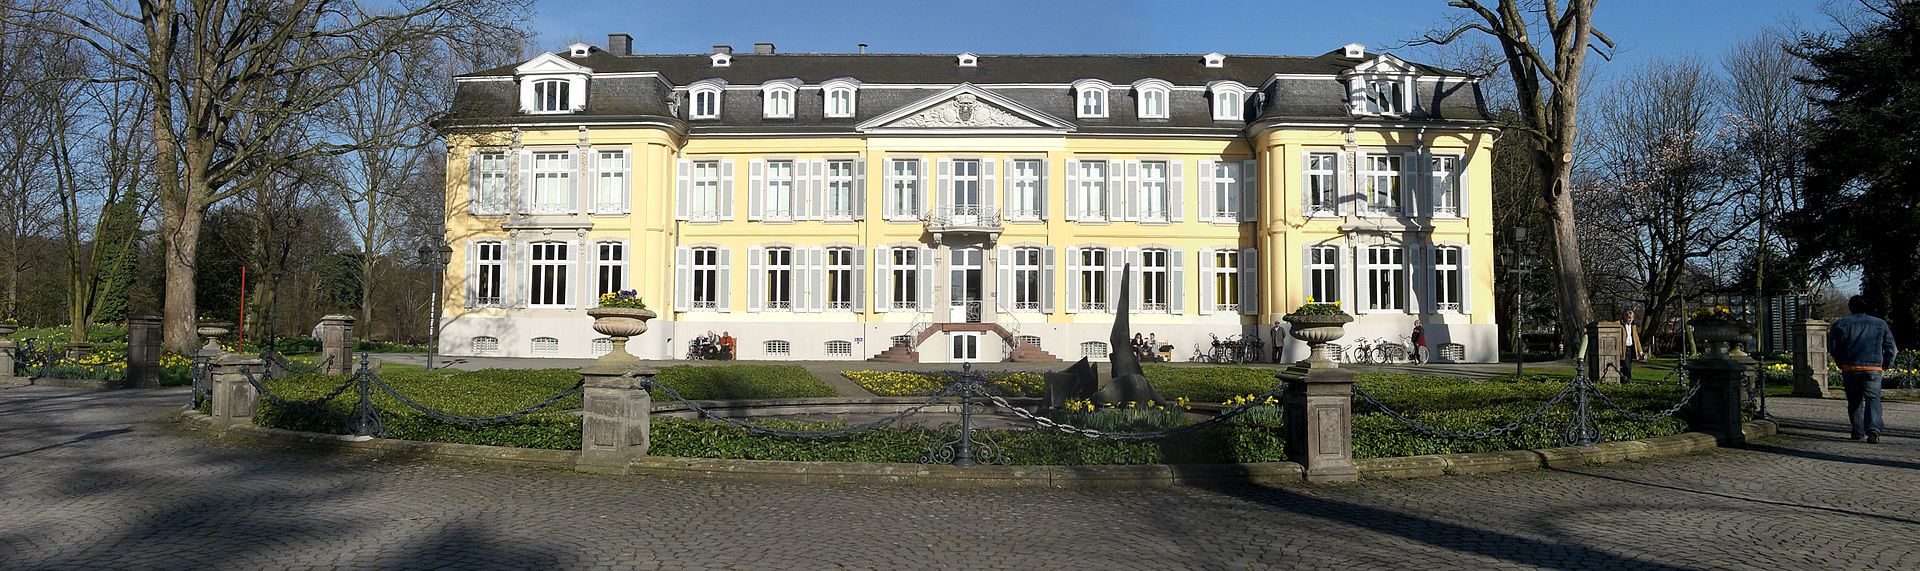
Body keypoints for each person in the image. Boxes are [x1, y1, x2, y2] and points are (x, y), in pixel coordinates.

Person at [1829, 295, 1896, 443]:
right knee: (1873, 398)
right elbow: (1891, 348)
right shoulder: (1880, 324)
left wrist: (1840, 362)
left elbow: (1833, 348)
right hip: (1872, 367)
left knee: (1854, 400)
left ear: (1850, 308)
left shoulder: (1840, 324)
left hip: (1850, 366)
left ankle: (1858, 431)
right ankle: (1873, 428)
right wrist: (1886, 364)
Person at [1621, 310, 1645, 379]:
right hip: (1624, 348)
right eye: (1629, 318)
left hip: (1631, 348)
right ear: (1625, 317)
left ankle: (1627, 380)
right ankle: (1626, 381)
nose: (1630, 320)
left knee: (1629, 366)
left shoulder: (1633, 326)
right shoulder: (1621, 325)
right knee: (1626, 366)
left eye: (1632, 318)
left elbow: (1636, 339)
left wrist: (1640, 350)